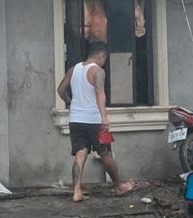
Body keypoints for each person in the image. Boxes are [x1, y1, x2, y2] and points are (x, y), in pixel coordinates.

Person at [56, 42, 134, 202]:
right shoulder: (98, 71)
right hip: (94, 121)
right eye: (104, 59)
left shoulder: (73, 70)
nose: (104, 62)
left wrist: (71, 103)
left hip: (76, 120)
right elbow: (100, 95)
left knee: (79, 155)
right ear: (101, 56)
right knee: (106, 154)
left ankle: (77, 191)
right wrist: (104, 117)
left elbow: (60, 90)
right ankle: (119, 186)